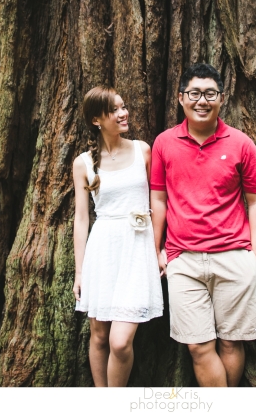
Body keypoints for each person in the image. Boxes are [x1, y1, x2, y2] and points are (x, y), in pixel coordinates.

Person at [150, 63, 256, 387]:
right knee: (198, 346)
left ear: (221, 98)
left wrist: (253, 256)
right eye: (195, 93)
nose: (202, 100)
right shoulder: (164, 143)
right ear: (181, 98)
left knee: (231, 341)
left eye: (210, 94)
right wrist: (156, 249)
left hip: (234, 256)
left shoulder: (242, 144)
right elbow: (158, 201)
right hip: (183, 260)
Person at [73, 85, 163, 387]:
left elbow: (158, 201)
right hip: (104, 250)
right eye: (115, 110)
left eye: (123, 107)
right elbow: (82, 218)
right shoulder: (84, 163)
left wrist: (160, 247)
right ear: (97, 119)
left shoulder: (142, 150)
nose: (123, 113)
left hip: (137, 248)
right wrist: (80, 271)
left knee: (120, 342)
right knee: (99, 336)